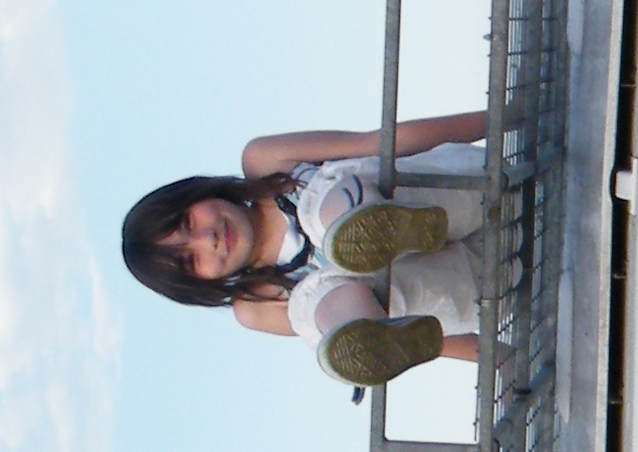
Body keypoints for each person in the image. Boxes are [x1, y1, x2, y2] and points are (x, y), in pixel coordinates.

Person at [120, 111, 495, 387]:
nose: (208, 239)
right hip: (473, 283)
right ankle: (363, 329)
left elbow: (386, 142)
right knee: (317, 299)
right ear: (199, 284)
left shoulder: (266, 162)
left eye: (189, 222)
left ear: (194, 195)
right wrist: (497, 355)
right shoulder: (256, 305)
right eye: (191, 260)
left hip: (466, 193)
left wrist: (503, 117)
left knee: (322, 209)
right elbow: (431, 340)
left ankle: (371, 221)